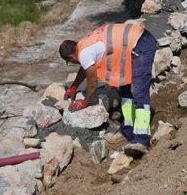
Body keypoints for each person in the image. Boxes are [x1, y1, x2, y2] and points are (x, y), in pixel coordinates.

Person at [59, 23, 157, 158]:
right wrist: (74, 86)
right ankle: (127, 131)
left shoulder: (84, 53)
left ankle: (142, 140)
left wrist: (85, 102)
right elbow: (85, 67)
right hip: (133, 42)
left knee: (139, 91)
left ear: (71, 57)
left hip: (141, 43)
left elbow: (92, 82)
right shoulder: (83, 45)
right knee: (126, 88)